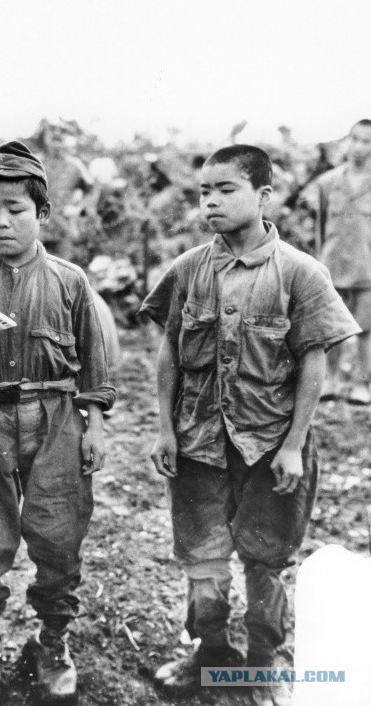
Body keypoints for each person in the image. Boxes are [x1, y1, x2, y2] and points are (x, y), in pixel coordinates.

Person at [139, 145, 359, 706]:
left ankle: (261, 666)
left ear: (263, 196)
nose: (210, 201)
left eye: (225, 189)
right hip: (198, 443)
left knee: (266, 557)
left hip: (269, 447)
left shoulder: (301, 273)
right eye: (203, 192)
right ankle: (210, 655)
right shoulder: (189, 269)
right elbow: (168, 352)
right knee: (203, 555)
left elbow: (314, 361)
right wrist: (166, 430)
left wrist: (293, 446)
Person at [0, 140, 116, 702]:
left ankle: (53, 640)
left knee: (58, 537)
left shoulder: (70, 280)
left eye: (16, 208)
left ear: (43, 215)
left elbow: (95, 362)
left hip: (55, 418)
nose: (1, 220)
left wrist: (96, 424)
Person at [302, 119, 371, 404]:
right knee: (331, 328)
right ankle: (330, 381)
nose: (359, 146)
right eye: (355, 139)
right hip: (332, 267)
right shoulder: (328, 183)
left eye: (367, 141)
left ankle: (361, 384)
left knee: (367, 330)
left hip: (367, 270)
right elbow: (319, 228)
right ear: (347, 141)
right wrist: (321, 264)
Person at [33, 121, 94, 261]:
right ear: (45, 136)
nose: (57, 134)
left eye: (62, 132)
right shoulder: (35, 163)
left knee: (64, 271)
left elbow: (92, 188)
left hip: (64, 227)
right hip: (37, 226)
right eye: (52, 130)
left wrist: (78, 208)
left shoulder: (75, 165)